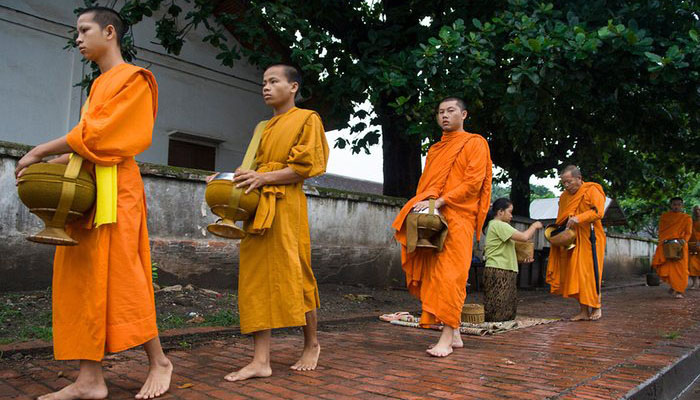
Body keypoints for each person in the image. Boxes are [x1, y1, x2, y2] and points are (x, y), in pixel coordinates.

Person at [14, 7, 171, 399]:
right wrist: (57, 162)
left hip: (118, 190)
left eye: (84, 30)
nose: (79, 38)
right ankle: (90, 379)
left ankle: (160, 361)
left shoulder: (136, 80)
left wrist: (39, 150)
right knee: (81, 276)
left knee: (124, 274)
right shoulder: (99, 85)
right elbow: (88, 145)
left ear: (110, 31)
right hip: (87, 190)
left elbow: (101, 137)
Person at [219, 64, 329, 381]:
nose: (266, 87)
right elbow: (250, 169)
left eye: (273, 81)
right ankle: (260, 360)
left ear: (293, 87)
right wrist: (227, 178)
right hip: (258, 208)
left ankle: (312, 343)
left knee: (297, 273)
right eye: (263, 82)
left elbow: (306, 167)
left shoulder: (307, 119)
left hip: (287, 206)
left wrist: (264, 176)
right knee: (254, 280)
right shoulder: (261, 127)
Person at [392, 97, 492, 357]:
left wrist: (438, 202)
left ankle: (446, 338)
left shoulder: (475, 143)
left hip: (458, 218)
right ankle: (455, 332)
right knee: (435, 276)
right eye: (440, 112)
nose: (445, 116)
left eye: (451, 111)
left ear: (464, 114)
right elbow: (427, 184)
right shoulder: (436, 150)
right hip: (434, 220)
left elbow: (473, 182)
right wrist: (426, 203)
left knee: (451, 277)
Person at [546, 165, 606, 321]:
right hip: (572, 238)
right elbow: (561, 218)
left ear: (579, 178)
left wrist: (579, 218)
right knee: (576, 275)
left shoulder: (592, 190)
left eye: (569, 182)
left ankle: (597, 307)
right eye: (564, 183)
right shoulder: (564, 197)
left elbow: (598, 212)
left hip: (591, 238)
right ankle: (584, 311)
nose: (566, 186)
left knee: (590, 273)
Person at [482, 198, 542, 322]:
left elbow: (504, 250)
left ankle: (502, 324)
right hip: (498, 268)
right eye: (509, 212)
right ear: (500, 212)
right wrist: (534, 226)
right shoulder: (499, 224)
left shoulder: (496, 225)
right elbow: (524, 237)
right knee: (498, 304)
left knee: (507, 303)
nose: (511, 215)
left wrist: (520, 259)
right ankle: (497, 324)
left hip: (504, 268)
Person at [652, 197, 693, 298]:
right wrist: (664, 240)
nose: (676, 207)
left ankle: (679, 291)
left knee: (681, 269)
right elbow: (661, 231)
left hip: (680, 245)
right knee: (667, 266)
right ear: (671, 205)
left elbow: (688, 233)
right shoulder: (665, 217)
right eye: (674, 204)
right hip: (666, 245)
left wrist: (683, 241)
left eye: (679, 204)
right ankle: (674, 286)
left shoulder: (686, 218)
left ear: (682, 206)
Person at [690, 205, 700, 290]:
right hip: (692, 245)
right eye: (696, 210)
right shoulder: (691, 221)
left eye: (699, 210)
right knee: (692, 264)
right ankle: (694, 283)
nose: (697, 212)